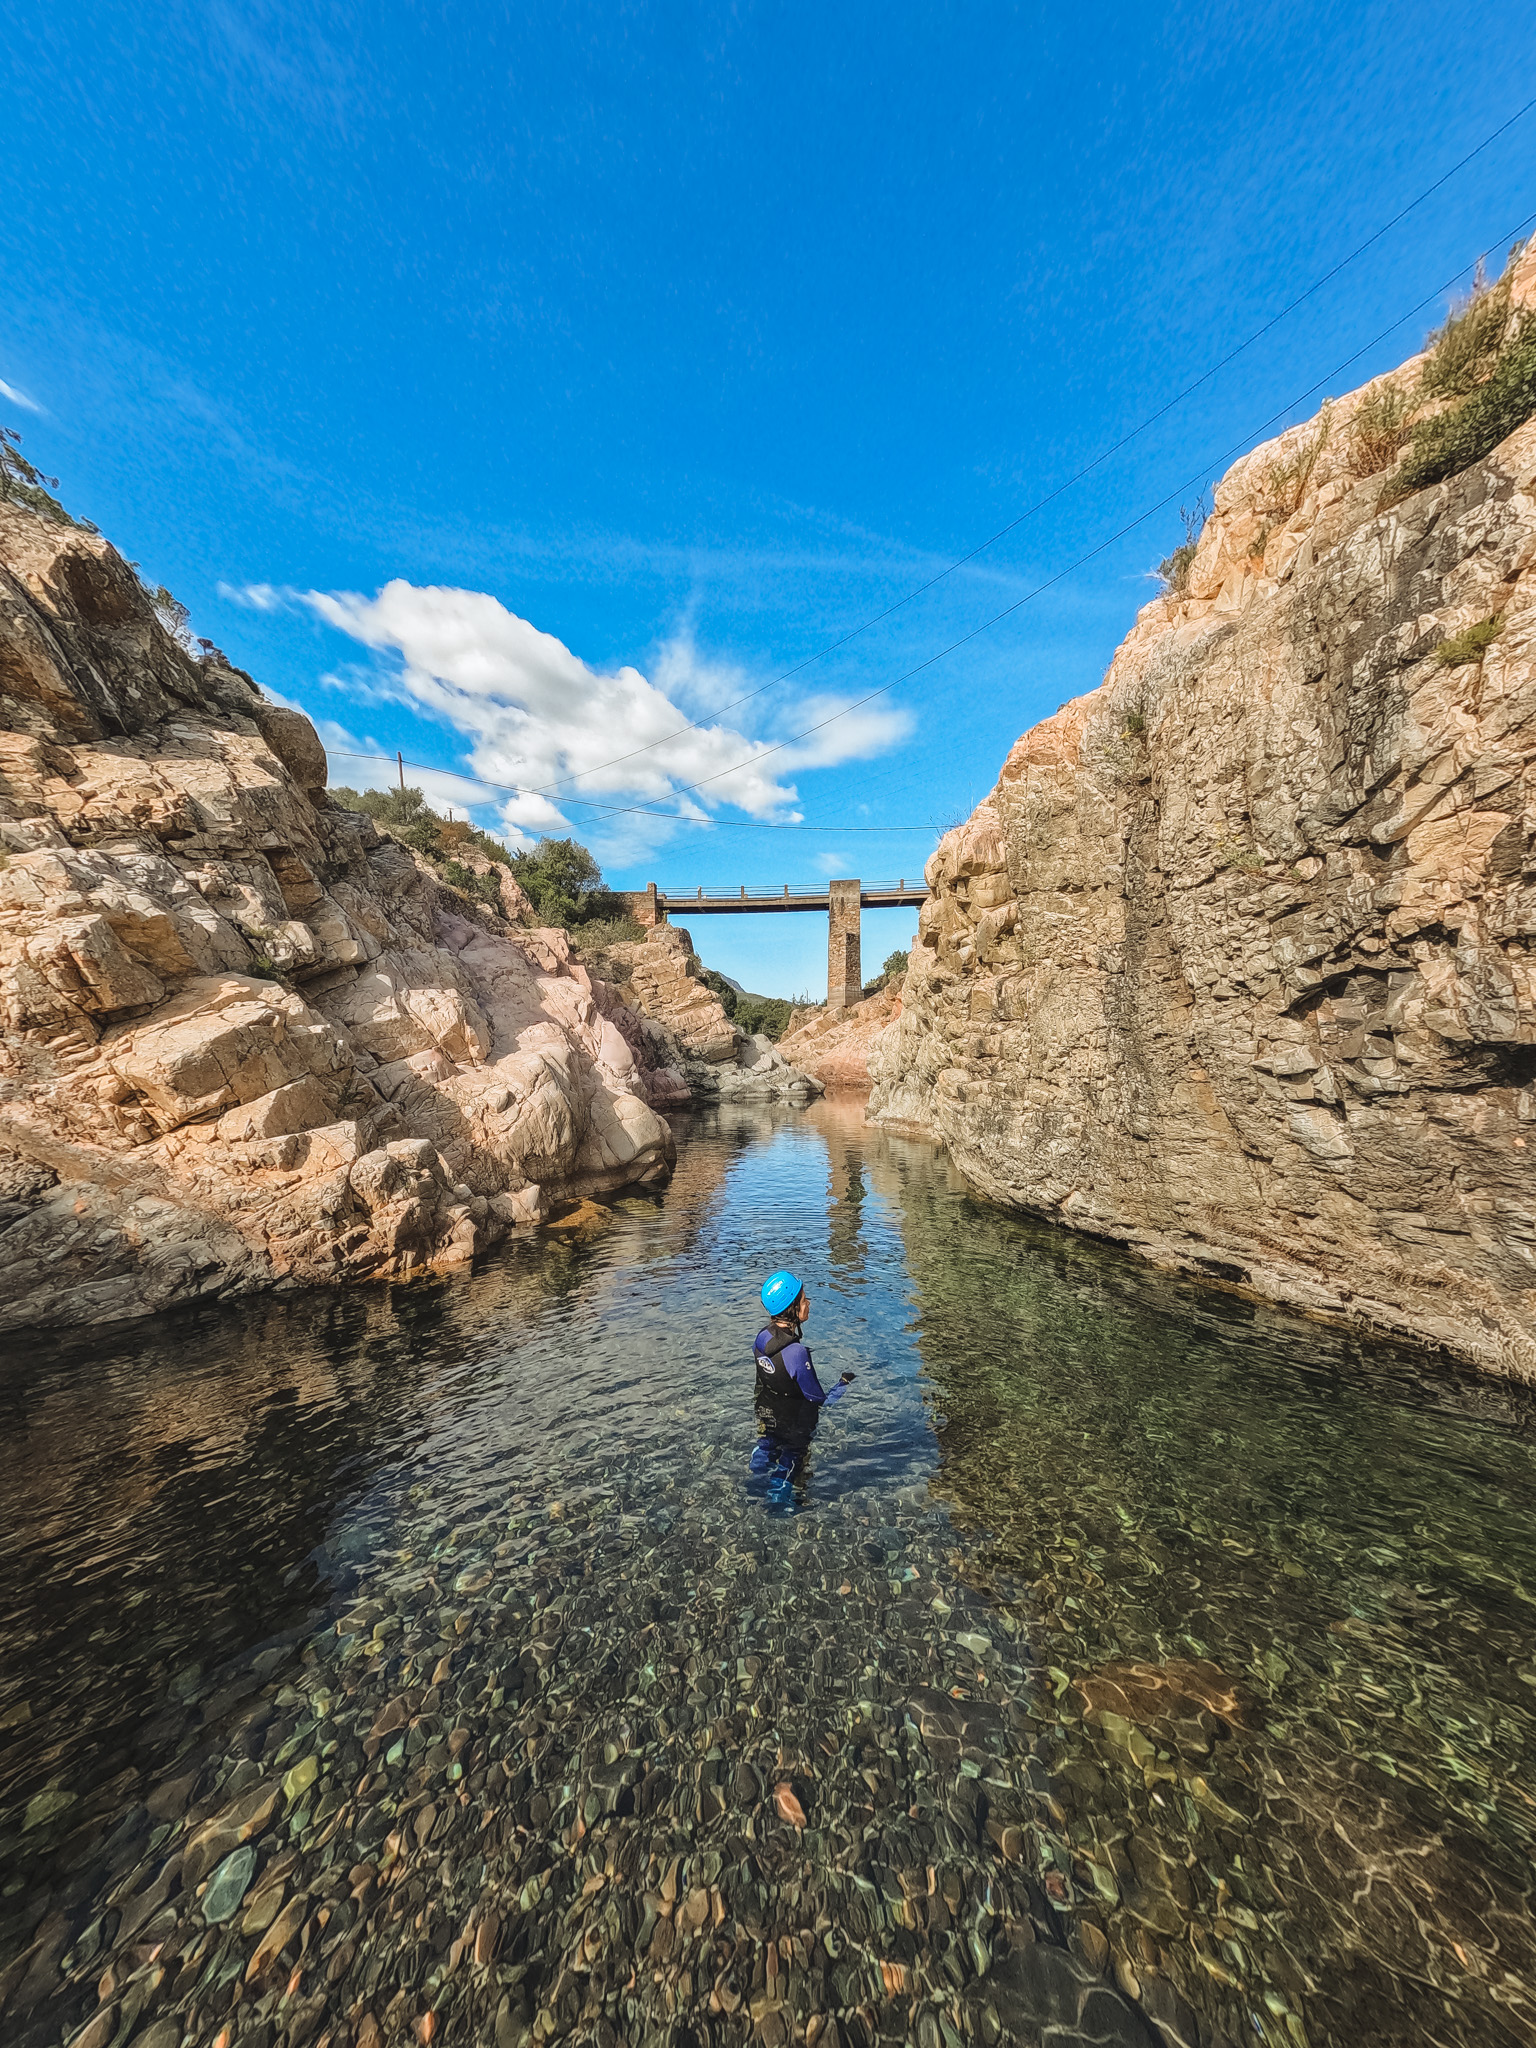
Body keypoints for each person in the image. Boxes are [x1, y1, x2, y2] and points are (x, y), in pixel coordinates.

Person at [748, 1269, 854, 1509]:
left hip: (766, 1411)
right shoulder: (796, 1354)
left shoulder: (761, 1338)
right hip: (794, 1422)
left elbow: (760, 1382)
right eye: (804, 1300)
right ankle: (777, 1504)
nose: (808, 1303)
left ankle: (753, 1479)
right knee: (792, 1457)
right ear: (792, 1308)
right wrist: (844, 1383)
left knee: (766, 1445)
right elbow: (819, 1400)